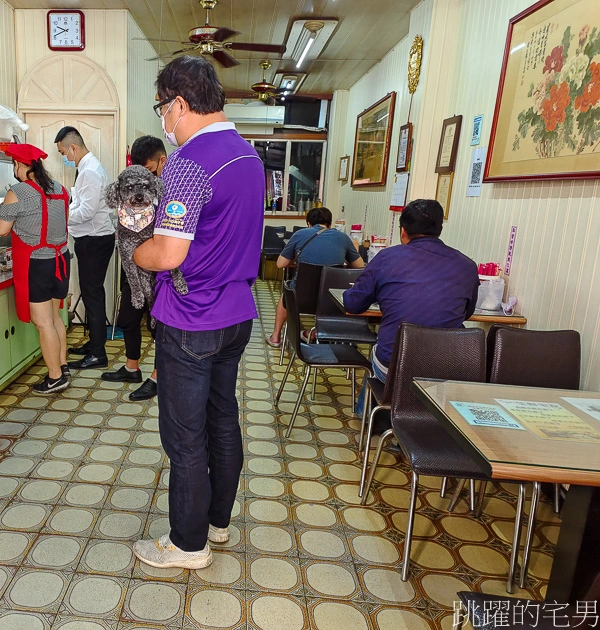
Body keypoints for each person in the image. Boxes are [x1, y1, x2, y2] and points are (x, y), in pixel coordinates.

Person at [131, 56, 264, 569]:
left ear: (180, 105)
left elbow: (168, 255)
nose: (162, 121)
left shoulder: (189, 164)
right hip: (236, 314)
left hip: (191, 318)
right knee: (222, 419)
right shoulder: (249, 157)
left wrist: (138, 247)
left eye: (163, 109)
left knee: (185, 438)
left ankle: (187, 545)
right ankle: (217, 522)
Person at [344, 199, 479, 417]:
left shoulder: (387, 257)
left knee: (380, 350)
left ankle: (368, 417)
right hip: (449, 368)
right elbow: (467, 313)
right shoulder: (467, 265)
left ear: (403, 231)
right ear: (439, 230)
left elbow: (353, 304)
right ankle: (420, 423)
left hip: (395, 366)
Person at [0, 143, 70, 394]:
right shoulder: (59, 189)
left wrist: (5, 214)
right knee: (54, 317)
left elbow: (1, 229)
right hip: (61, 259)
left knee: (42, 322)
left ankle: (55, 377)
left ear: (19, 165)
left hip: (37, 263)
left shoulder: (19, 192)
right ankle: (62, 366)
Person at [101, 135, 167, 401]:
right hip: (132, 265)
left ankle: (158, 376)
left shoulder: (168, 187)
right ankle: (132, 367)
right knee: (128, 317)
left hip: (158, 268)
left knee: (158, 325)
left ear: (161, 160)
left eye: (150, 171)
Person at [55, 126, 115, 370]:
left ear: (73, 147)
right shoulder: (86, 169)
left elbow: (86, 212)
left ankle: (98, 354)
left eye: (63, 152)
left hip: (94, 240)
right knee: (91, 294)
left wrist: (61, 215)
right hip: (91, 238)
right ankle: (93, 344)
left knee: (93, 295)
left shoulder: (90, 171)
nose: (64, 158)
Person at [265, 206, 364, 348]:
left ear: (308, 224)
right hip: (332, 301)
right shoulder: (343, 237)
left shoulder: (300, 234)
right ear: (330, 224)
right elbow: (359, 266)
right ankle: (316, 332)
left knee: (285, 294)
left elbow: (281, 264)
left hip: (300, 298)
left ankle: (275, 337)